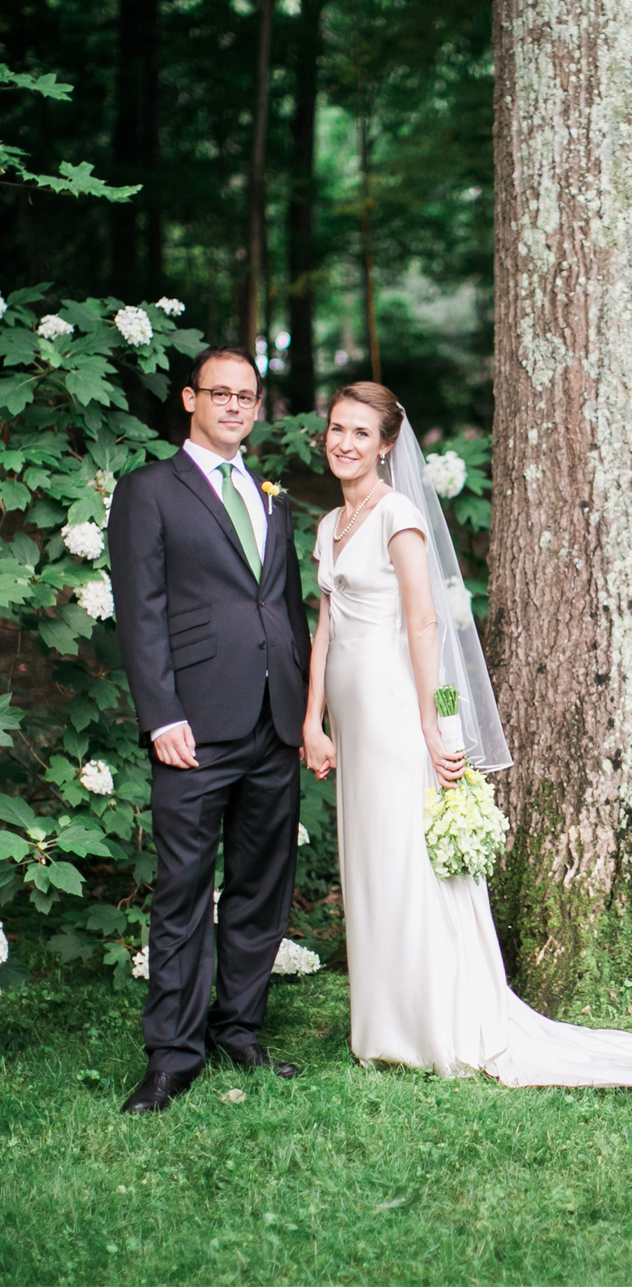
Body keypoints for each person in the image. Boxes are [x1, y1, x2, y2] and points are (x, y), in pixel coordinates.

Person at [302, 382, 632, 1088]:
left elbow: (427, 625)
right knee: (370, 864)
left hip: (399, 714)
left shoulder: (398, 516)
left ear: (385, 445)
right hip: (350, 718)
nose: (344, 442)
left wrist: (435, 722)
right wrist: (312, 721)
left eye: (360, 433)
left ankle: (434, 1024)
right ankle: (382, 1021)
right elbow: (326, 628)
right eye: (337, 429)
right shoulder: (330, 524)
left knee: (410, 866)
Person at [110, 346, 311, 1113]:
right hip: (192, 723)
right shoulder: (148, 491)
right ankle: (171, 1053)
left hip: (272, 721)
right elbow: (141, 612)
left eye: (246, 396)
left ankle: (240, 1027)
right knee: (185, 887)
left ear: (257, 407)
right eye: (219, 393)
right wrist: (161, 713)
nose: (233, 405)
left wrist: (304, 713)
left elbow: (284, 606)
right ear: (190, 399)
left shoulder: (272, 495)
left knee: (262, 883)